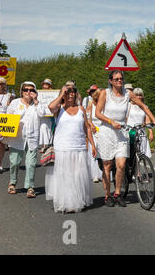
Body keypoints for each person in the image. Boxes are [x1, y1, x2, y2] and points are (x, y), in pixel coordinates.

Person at [95, 70, 155, 207]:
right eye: (116, 79)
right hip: (107, 132)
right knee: (107, 166)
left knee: (121, 165)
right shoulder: (104, 94)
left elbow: (142, 105)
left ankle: (117, 193)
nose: (119, 81)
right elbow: (98, 113)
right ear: (111, 81)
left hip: (122, 132)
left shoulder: (127, 94)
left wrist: (153, 119)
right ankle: (108, 195)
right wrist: (110, 121)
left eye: (121, 78)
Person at [45, 82, 96, 213]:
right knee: (64, 175)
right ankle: (66, 202)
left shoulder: (81, 109)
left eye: (73, 91)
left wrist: (92, 145)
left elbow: (87, 128)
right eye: (68, 91)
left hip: (78, 147)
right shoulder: (59, 109)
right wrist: (62, 93)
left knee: (77, 175)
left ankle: (77, 201)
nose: (71, 93)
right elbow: (50, 107)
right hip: (62, 147)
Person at [4, 81, 47, 197]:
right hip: (17, 138)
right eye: (26, 90)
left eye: (31, 90)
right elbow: (8, 118)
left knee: (31, 163)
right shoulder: (15, 103)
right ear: (21, 92)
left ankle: (30, 187)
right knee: (14, 162)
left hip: (32, 138)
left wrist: (36, 101)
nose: (28, 92)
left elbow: (42, 114)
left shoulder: (37, 104)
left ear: (35, 92)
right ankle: (12, 183)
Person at [126, 88, 154, 158]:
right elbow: (125, 119)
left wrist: (151, 132)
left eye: (140, 95)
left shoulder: (145, 107)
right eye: (136, 95)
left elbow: (147, 121)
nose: (138, 97)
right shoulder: (128, 106)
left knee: (142, 153)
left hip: (141, 132)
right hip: (130, 131)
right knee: (130, 154)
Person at [86, 88, 103, 183]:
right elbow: (87, 117)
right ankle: (95, 175)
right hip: (94, 130)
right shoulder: (91, 104)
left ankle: (104, 173)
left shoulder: (104, 104)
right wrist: (91, 125)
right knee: (95, 151)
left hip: (103, 129)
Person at [0, 77, 12, 173]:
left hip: (4, 121)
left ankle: (0, 163)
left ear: (4, 85)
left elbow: (11, 109)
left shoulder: (9, 95)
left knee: (2, 144)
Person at [38, 78, 54, 150]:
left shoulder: (53, 94)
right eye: (44, 84)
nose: (45, 86)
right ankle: (43, 144)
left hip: (49, 115)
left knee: (46, 127)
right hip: (42, 114)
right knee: (42, 128)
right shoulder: (39, 93)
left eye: (46, 84)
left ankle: (46, 144)